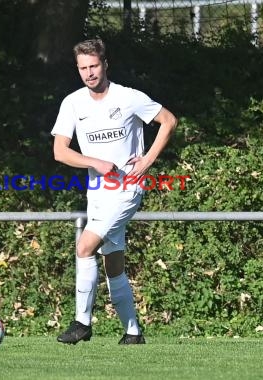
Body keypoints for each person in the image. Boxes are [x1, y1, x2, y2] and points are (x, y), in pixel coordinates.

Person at [50, 39, 177, 345]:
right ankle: (133, 332)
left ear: (105, 65)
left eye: (94, 66)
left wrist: (146, 161)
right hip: (97, 193)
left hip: (127, 189)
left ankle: (82, 322)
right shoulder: (72, 103)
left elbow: (168, 121)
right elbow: (60, 152)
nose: (89, 73)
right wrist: (95, 162)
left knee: (84, 247)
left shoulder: (128, 97)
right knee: (113, 264)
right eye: (83, 68)